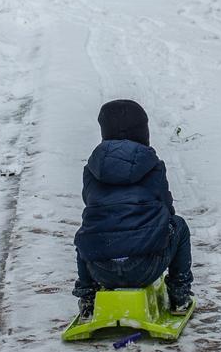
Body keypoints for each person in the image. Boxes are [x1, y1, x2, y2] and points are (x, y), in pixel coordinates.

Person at [75, 99, 194, 317]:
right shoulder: (152, 164)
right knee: (179, 226)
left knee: (87, 232)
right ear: (143, 130)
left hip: (101, 269)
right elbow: (167, 209)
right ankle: (180, 296)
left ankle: (88, 298)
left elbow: (90, 204)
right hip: (145, 266)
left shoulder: (92, 168)